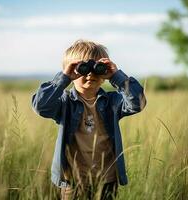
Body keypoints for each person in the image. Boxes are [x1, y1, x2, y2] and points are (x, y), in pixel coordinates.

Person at [31, 39, 146, 199]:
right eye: (83, 68)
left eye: (98, 68)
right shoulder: (65, 103)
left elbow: (137, 103)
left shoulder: (113, 102)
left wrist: (117, 76)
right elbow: (41, 106)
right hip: (73, 181)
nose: (91, 73)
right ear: (72, 71)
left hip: (107, 180)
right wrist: (64, 78)